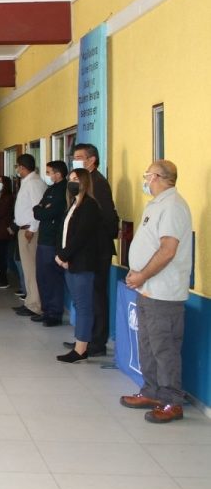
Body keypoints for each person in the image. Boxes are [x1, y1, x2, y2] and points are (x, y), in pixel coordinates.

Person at [120, 160, 193, 423]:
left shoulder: (173, 207)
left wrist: (142, 274)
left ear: (160, 177)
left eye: (147, 176)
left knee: (165, 349)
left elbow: (167, 250)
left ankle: (172, 401)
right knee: (148, 345)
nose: (145, 180)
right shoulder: (157, 204)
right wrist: (136, 273)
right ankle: (151, 391)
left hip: (163, 292)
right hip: (146, 288)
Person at [71, 143, 120, 357]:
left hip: (98, 249)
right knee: (88, 296)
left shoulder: (98, 183)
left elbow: (108, 218)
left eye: (80, 157)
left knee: (97, 295)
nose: (76, 161)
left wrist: (96, 239)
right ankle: (85, 338)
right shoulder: (84, 182)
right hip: (88, 249)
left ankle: (97, 341)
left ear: (92, 160)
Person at [54, 168, 101, 363]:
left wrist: (64, 255)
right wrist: (60, 254)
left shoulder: (89, 206)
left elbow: (80, 236)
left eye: (76, 179)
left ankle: (81, 348)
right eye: (70, 179)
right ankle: (80, 343)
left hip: (81, 263)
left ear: (84, 182)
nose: (72, 183)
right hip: (69, 262)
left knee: (83, 306)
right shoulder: (72, 204)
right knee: (78, 304)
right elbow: (63, 232)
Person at [32, 161, 68, 326]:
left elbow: (50, 212)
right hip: (43, 238)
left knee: (52, 277)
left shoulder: (63, 190)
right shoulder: (50, 189)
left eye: (49, 172)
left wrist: (42, 210)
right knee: (42, 276)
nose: (47, 175)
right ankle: (46, 310)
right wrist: (41, 209)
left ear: (58, 173)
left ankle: (54, 313)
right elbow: (37, 210)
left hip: (53, 240)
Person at [13, 154, 47, 318]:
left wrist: (32, 228)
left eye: (17, 166)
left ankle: (35, 304)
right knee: (27, 269)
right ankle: (30, 301)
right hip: (24, 229)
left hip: (30, 231)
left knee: (31, 268)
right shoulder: (27, 182)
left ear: (22, 167)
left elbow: (38, 207)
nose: (17, 170)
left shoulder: (34, 183)